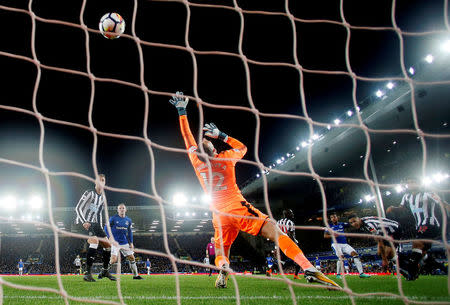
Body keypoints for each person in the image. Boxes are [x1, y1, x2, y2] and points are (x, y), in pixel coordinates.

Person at [169, 92, 339, 289]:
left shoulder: (196, 162)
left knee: (222, 252)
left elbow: (187, 137)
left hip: (217, 213)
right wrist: (221, 135)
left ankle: (223, 269)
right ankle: (308, 268)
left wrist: (182, 111)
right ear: (214, 150)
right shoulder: (226, 158)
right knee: (276, 233)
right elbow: (242, 147)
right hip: (237, 207)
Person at [386, 177, 449, 280]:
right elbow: (402, 208)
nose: (411, 184)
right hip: (419, 226)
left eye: (413, 182)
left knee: (416, 244)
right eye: (409, 182)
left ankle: (411, 272)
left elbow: (442, 203)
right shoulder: (406, 197)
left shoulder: (429, 194)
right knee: (423, 254)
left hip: (430, 223)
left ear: (419, 184)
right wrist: (393, 208)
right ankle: (445, 270)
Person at [75, 174, 116, 282]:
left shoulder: (103, 197)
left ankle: (105, 271)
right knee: (94, 241)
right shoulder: (89, 193)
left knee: (108, 245)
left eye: (103, 180)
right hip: (82, 222)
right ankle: (87, 273)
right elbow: (78, 208)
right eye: (100, 180)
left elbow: (99, 214)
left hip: (94, 224)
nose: (102, 182)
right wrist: (84, 221)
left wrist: (102, 230)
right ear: (95, 182)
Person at [324, 212, 370, 279]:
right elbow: (325, 236)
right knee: (341, 257)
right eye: (332, 217)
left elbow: (351, 224)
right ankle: (338, 274)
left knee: (355, 254)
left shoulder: (342, 224)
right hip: (335, 244)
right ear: (330, 219)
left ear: (337, 217)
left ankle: (361, 273)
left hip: (345, 244)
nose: (333, 218)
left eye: (335, 217)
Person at [104, 203, 143, 280]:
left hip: (124, 243)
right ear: (118, 210)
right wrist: (109, 237)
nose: (122, 209)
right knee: (113, 260)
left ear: (125, 210)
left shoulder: (128, 220)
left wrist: (131, 242)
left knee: (132, 258)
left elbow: (130, 232)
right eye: (120, 208)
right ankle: (104, 272)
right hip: (115, 243)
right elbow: (106, 227)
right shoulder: (113, 218)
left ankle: (136, 275)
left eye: (123, 208)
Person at [277, 209, 301, 279]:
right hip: (289, 243)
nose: (292, 214)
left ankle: (270, 270)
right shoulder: (290, 222)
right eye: (291, 213)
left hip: (281, 243)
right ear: (287, 214)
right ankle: (296, 275)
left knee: (284, 260)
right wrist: (295, 244)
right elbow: (290, 235)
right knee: (299, 258)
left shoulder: (278, 222)